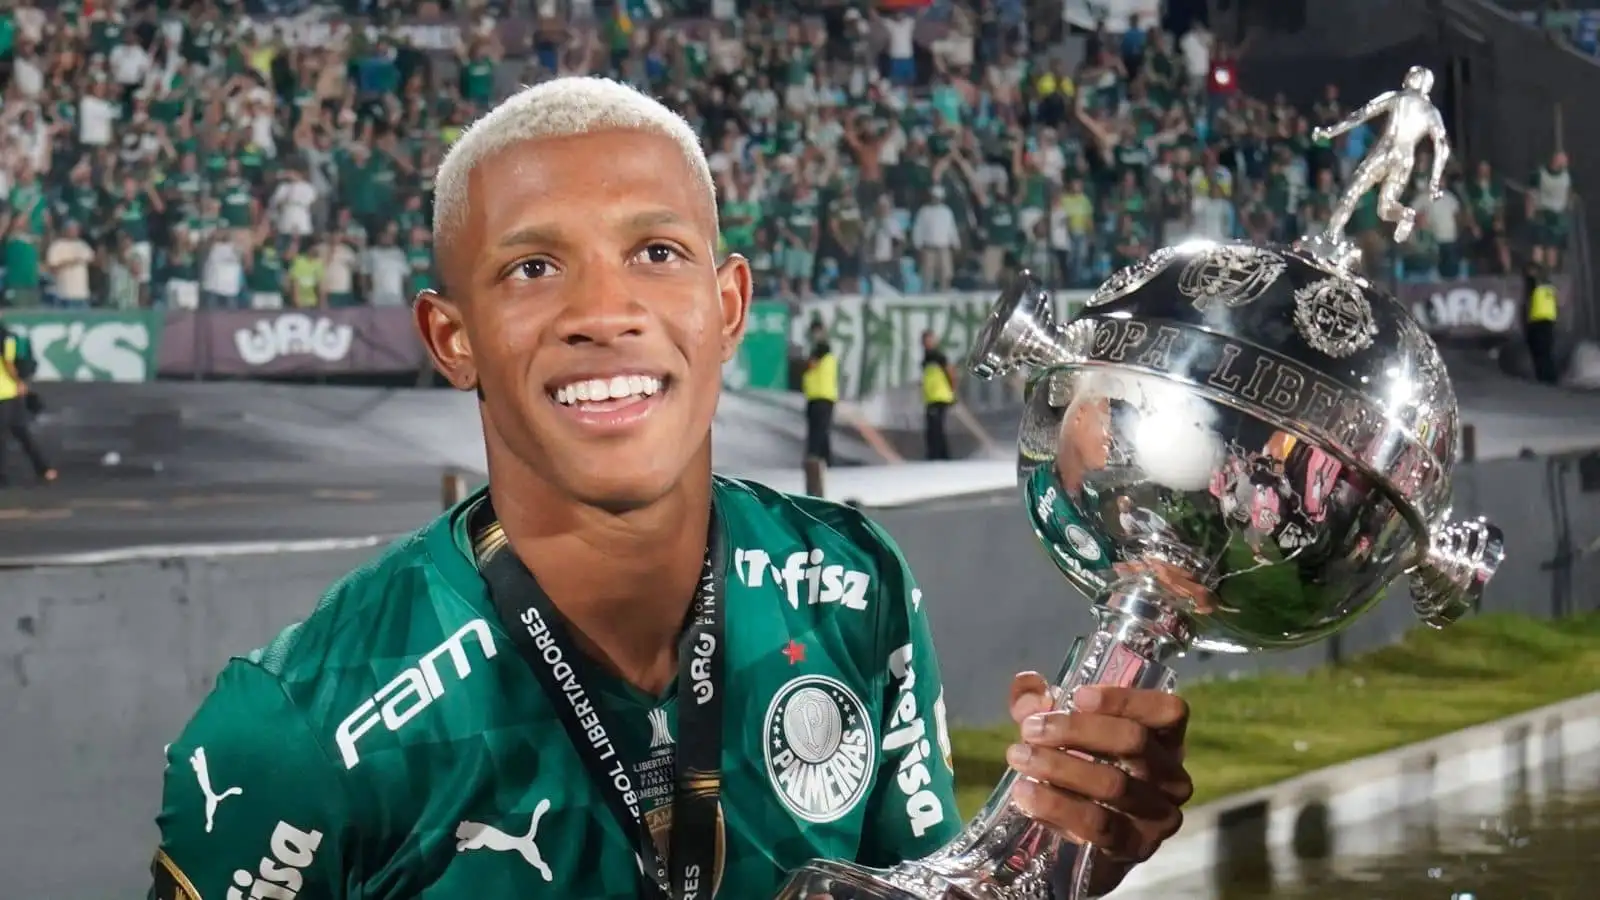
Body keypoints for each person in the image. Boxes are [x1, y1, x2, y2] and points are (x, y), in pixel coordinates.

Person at [148, 78, 1193, 900]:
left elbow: (918, 890)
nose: (605, 310)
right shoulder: (292, 729)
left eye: (655, 251)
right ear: (450, 337)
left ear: (726, 303)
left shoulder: (848, 583)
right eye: (531, 269)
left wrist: (1053, 857)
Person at [0, 314, 56, 487]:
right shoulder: (7, 337)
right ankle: (43, 469)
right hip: (8, 391)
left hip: (5, 393)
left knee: (15, 433)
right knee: (21, 433)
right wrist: (20, 383)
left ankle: (41, 468)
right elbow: (9, 363)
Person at [801, 319, 839, 466]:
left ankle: (815, 458)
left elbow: (811, 364)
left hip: (822, 396)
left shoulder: (822, 348)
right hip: (816, 395)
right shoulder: (819, 349)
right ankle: (826, 460)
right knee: (821, 430)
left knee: (818, 430)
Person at [920, 329, 956, 460]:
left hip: (940, 397)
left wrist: (952, 389)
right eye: (925, 341)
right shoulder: (925, 358)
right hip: (931, 397)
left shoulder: (938, 356)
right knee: (932, 428)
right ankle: (938, 455)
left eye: (930, 340)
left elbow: (950, 372)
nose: (928, 343)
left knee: (936, 428)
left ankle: (939, 455)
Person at [1524, 261, 1560, 385]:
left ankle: (1544, 376)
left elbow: (1527, 303)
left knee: (1539, 351)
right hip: (1548, 321)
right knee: (1546, 351)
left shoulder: (1534, 285)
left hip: (1537, 320)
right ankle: (1550, 376)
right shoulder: (1550, 287)